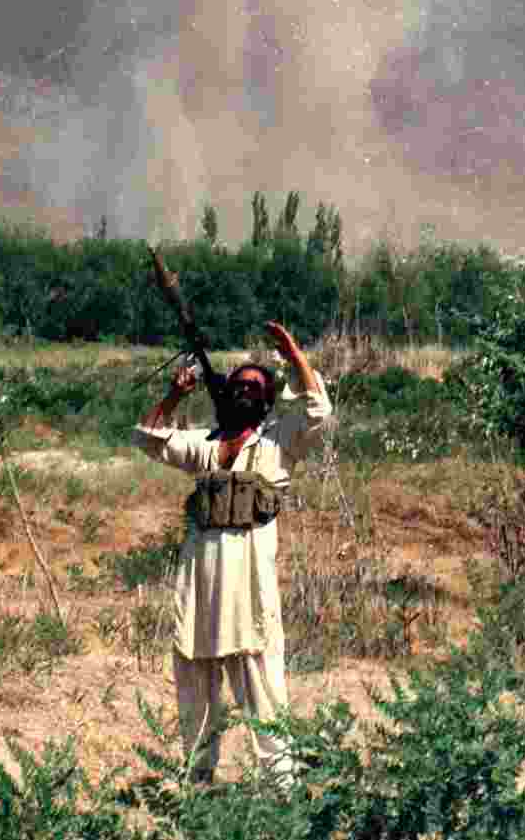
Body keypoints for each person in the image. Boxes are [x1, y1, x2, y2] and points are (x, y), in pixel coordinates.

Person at [132, 320, 332, 791]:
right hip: (199, 588)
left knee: (264, 691)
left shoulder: (279, 443)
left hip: (249, 590)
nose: (244, 392)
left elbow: (319, 409)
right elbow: (148, 438)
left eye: (254, 387)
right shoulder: (205, 446)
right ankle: (198, 786)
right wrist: (174, 395)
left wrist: (293, 352)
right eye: (237, 385)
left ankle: (282, 792)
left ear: (267, 400)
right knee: (195, 692)